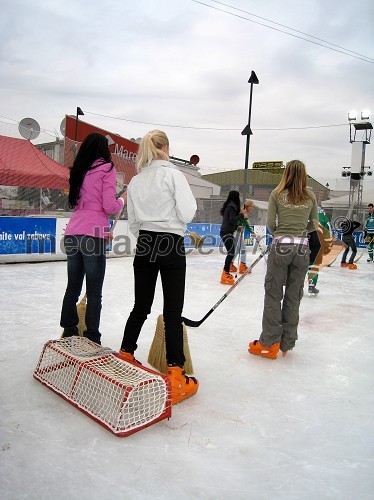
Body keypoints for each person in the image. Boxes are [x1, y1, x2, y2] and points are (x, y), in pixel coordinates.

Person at [118, 130, 198, 405]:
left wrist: (147, 239)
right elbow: (187, 213)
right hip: (170, 242)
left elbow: (132, 222)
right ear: (166, 147)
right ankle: (176, 372)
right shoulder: (174, 175)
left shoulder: (136, 181)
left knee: (141, 305)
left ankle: (126, 352)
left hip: (146, 243)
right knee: (173, 312)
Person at [60, 133, 126, 345]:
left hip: (73, 231)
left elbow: (79, 203)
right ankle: (91, 336)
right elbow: (109, 205)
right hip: (93, 233)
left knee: (73, 287)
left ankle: (69, 330)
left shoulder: (79, 170)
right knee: (94, 291)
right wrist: (122, 202)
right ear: (103, 150)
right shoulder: (107, 168)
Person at [248, 160, 318, 359]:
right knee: (293, 296)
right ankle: (287, 342)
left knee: (273, 294)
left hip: (281, 246)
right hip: (302, 248)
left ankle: (269, 342)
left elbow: (270, 223)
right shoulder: (311, 195)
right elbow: (313, 225)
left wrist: (281, 234)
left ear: (286, 173)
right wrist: (300, 232)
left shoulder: (277, 194)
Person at [219, 190, 248, 284]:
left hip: (227, 232)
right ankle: (225, 274)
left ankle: (226, 272)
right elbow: (232, 220)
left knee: (231, 252)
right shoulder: (232, 207)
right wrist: (241, 215)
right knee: (231, 253)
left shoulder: (230, 206)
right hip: (226, 232)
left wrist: (237, 227)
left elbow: (230, 221)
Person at [307, 206, 332, 295]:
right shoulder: (321, 212)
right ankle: (312, 284)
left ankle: (296, 286)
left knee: (299, 262)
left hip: (303, 238)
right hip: (317, 239)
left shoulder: (302, 206)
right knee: (314, 263)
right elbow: (327, 227)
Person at [231, 200, 254, 274]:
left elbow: (246, 224)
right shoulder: (242, 213)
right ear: (246, 206)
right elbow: (237, 222)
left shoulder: (245, 213)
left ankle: (230, 264)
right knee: (244, 250)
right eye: (250, 206)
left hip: (239, 234)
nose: (252, 208)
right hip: (237, 234)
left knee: (237, 250)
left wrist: (252, 232)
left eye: (252, 206)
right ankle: (242, 266)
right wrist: (238, 226)